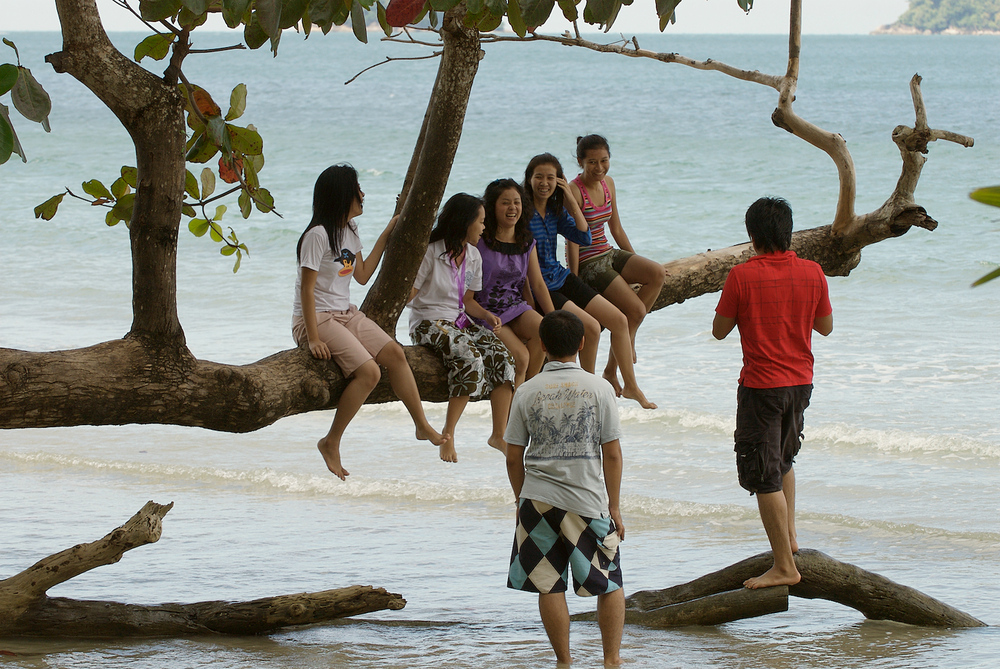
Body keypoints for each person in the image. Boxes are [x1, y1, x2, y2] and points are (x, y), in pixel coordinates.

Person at [293, 164, 447, 480]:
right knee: (370, 372)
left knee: (395, 354)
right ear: (341, 195)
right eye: (357, 189)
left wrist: (386, 235)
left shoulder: (350, 231)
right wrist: (312, 338)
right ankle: (330, 441)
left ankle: (421, 424)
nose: (362, 194)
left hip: (346, 313)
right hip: (317, 318)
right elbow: (307, 290)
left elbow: (361, 275)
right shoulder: (317, 236)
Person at [712, 196, 833, 589]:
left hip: (762, 386)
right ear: (788, 231)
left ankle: (784, 566)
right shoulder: (813, 272)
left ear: (752, 235)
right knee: (783, 460)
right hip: (801, 382)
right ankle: (791, 538)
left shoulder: (741, 276)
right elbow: (826, 326)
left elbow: (719, 329)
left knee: (764, 477)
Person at [505, 310, 625, 667]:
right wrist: (614, 506)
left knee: (548, 582)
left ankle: (564, 661)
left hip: (537, 499)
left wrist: (520, 498)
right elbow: (613, 454)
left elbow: (513, 456)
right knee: (609, 582)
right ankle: (612, 660)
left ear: (542, 344)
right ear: (582, 343)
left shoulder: (526, 390)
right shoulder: (600, 388)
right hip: (586, 499)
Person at [524, 152, 656, 410]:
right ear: (528, 179)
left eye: (551, 178)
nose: (544, 182)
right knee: (592, 328)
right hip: (540, 286)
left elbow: (584, 237)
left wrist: (572, 204)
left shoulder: (554, 211)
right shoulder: (523, 215)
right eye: (538, 176)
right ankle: (587, 388)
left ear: (559, 182)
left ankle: (630, 385)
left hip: (561, 277)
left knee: (618, 320)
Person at [408, 192, 516, 461]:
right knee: (470, 358)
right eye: (480, 221)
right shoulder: (432, 252)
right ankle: (448, 434)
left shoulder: (474, 255)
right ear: (464, 222)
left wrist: (487, 315)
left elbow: (467, 301)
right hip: (427, 321)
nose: (484, 227)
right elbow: (409, 294)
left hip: (458, 321)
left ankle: (498, 434)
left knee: (503, 358)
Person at [569, 134, 667, 395]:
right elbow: (572, 239)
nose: (599, 168)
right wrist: (575, 280)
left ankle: (615, 362)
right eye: (592, 162)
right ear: (580, 161)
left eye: (604, 160)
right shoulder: (573, 190)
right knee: (635, 310)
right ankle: (621, 375)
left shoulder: (608, 183)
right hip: (590, 261)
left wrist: (637, 263)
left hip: (609, 252)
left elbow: (616, 228)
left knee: (656, 272)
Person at [473, 178, 555, 387]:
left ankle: (527, 393)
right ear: (492, 207)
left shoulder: (527, 242)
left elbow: (537, 284)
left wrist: (554, 316)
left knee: (544, 331)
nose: (512, 208)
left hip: (514, 307)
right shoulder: (479, 241)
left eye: (517, 202)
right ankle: (517, 410)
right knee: (521, 357)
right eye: (505, 202)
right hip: (485, 311)